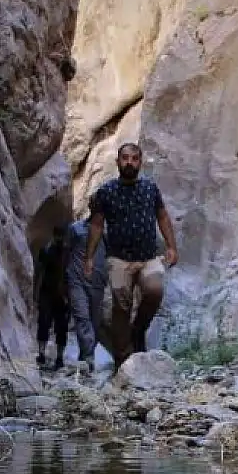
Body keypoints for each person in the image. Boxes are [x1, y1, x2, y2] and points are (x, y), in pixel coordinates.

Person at [83, 142, 179, 372]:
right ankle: (123, 360)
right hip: (119, 259)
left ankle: (139, 330)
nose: (129, 162)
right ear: (117, 162)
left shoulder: (150, 189)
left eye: (134, 158)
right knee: (121, 303)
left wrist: (171, 247)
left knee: (155, 290)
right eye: (125, 158)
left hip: (148, 257)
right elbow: (96, 226)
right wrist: (89, 257)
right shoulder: (106, 192)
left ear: (140, 162)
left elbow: (163, 217)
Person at [65, 206, 107, 371]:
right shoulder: (75, 229)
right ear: (91, 207)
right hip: (76, 280)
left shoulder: (107, 233)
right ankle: (89, 359)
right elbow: (65, 253)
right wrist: (63, 280)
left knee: (95, 323)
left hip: (98, 283)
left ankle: (85, 357)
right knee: (82, 318)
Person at [34, 224, 70, 369]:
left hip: (59, 294)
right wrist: (36, 292)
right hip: (48, 292)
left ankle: (58, 357)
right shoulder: (48, 251)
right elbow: (39, 272)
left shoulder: (67, 253)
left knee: (60, 326)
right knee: (45, 322)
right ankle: (44, 354)